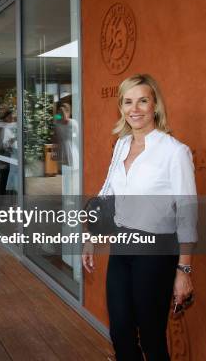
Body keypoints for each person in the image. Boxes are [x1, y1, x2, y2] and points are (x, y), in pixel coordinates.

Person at [82, 74, 197, 361]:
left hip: (156, 251)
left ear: (155, 105)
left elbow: (187, 214)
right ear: (121, 107)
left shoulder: (175, 152)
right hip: (122, 245)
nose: (135, 108)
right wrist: (90, 236)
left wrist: (183, 271)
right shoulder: (121, 145)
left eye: (143, 100)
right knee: (120, 332)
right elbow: (107, 193)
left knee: (151, 338)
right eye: (128, 101)